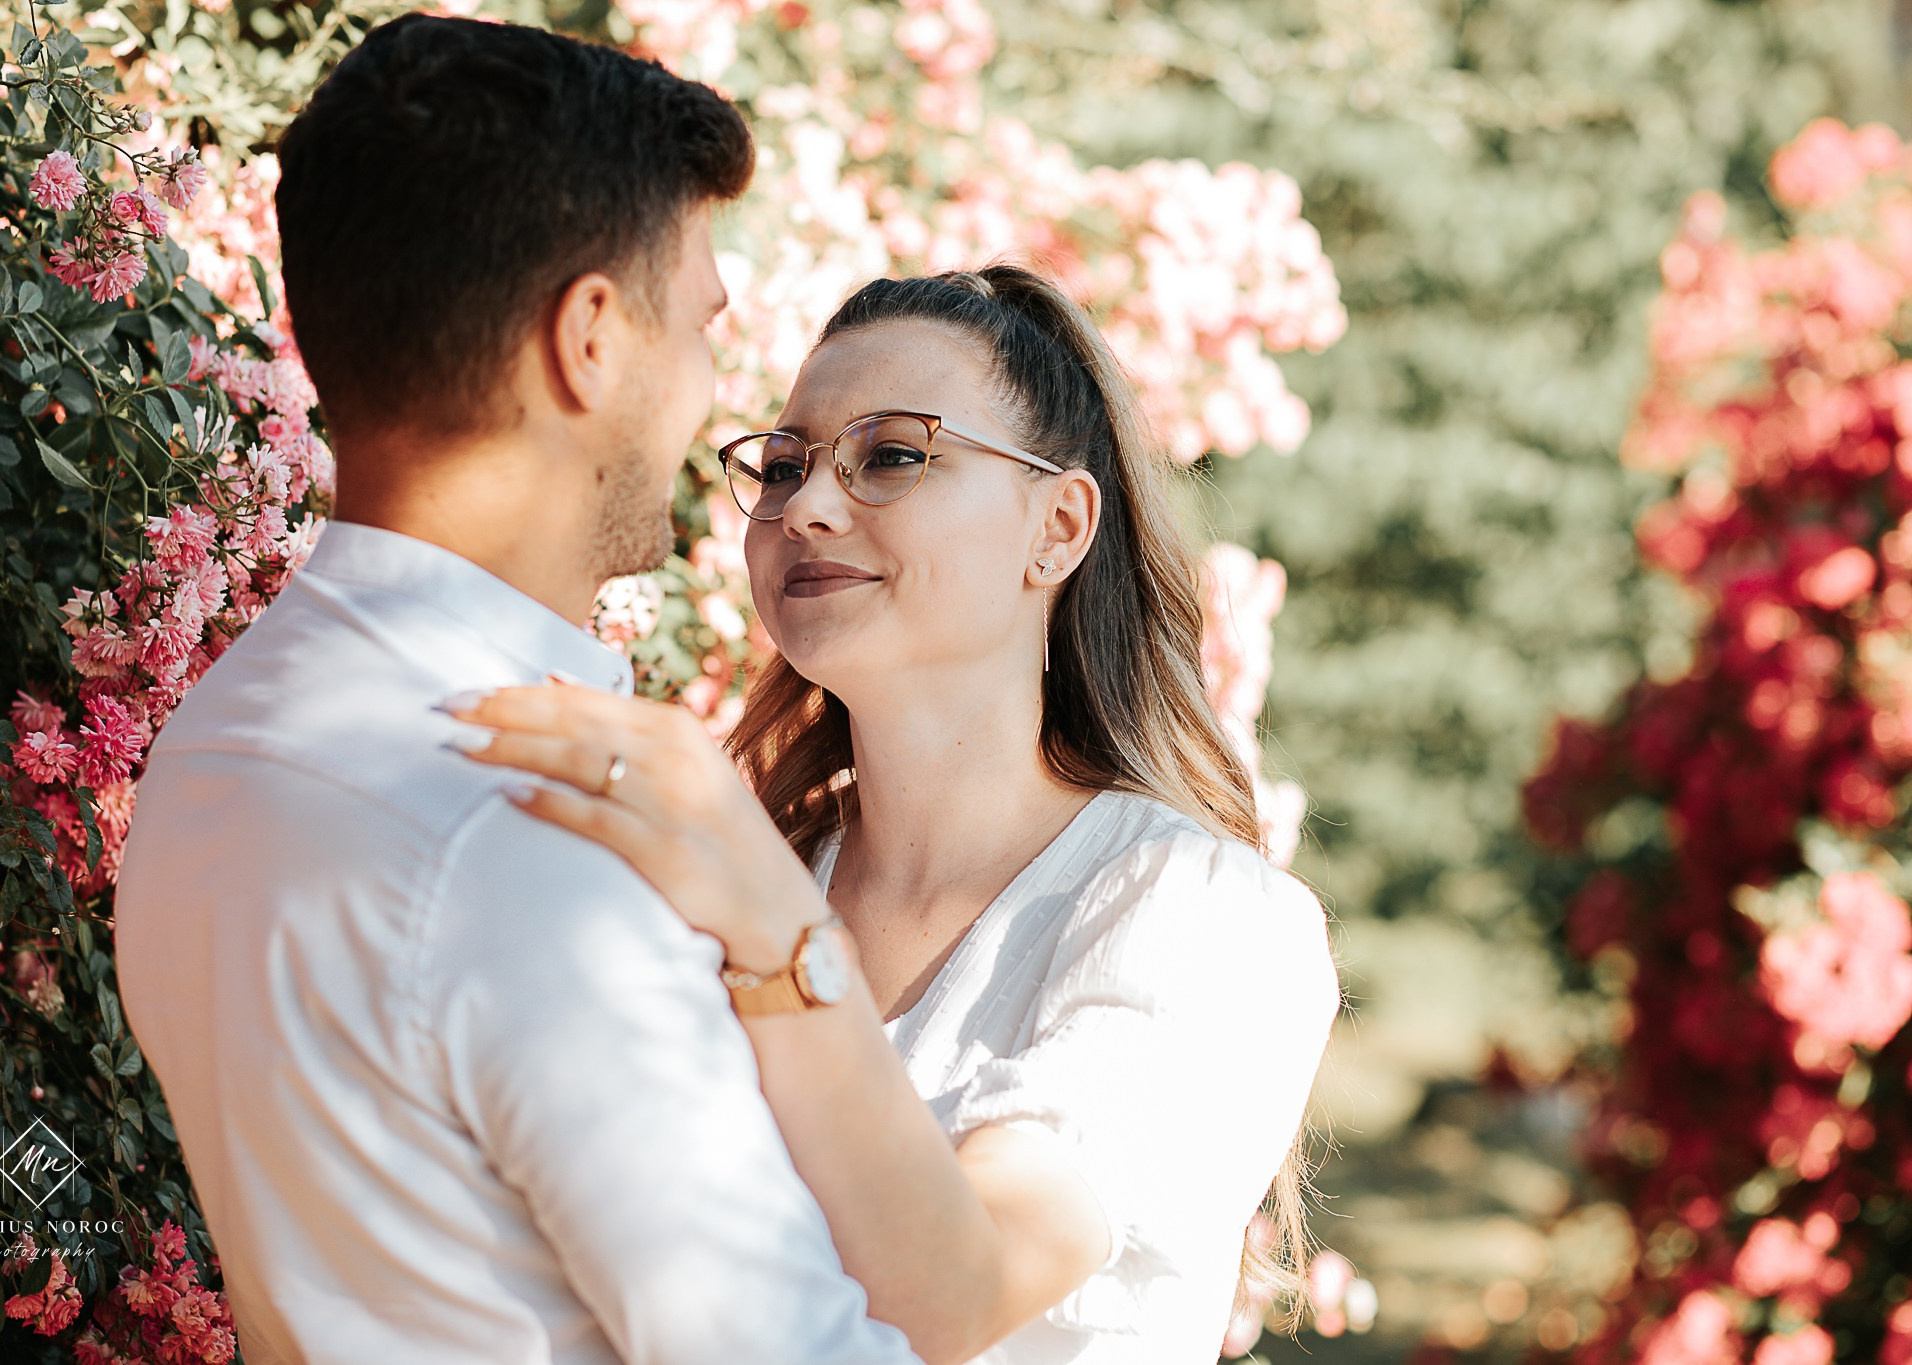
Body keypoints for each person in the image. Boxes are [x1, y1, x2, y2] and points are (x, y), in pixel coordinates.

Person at [112, 16, 922, 1365]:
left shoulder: (216, 741)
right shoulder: (537, 832)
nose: (715, 397)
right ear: (593, 338)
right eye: (704, 329)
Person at [445, 263, 1343, 1365]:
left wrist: (773, 936)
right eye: (782, 465)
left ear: (1056, 527)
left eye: (893, 456)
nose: (806, 507)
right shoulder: (733, 878)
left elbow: (957, 1291)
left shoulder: (1208, 923)